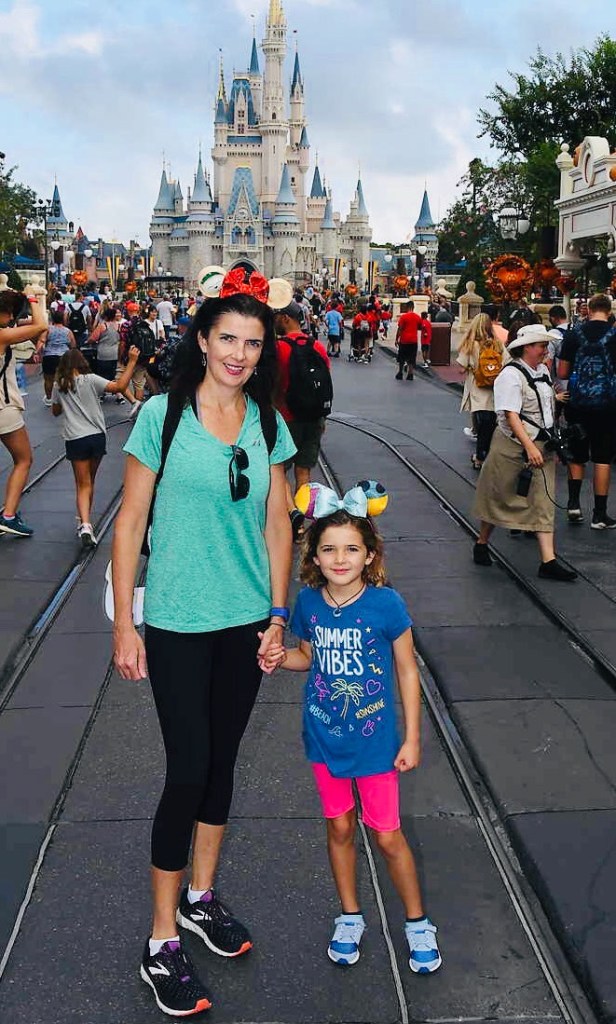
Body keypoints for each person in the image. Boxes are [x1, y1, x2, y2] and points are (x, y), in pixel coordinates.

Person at [112, 282, 296, 1018]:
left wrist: (279, 614)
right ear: (201, 340)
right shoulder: (161, 417)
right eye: (228, 339)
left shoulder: (266, 420)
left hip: (247, 618)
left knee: (222, 765)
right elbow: (129, 525)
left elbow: (280, 522)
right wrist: (127, 623)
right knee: (187, 769)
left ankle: (200, 898)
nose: (239, 355)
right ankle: (162, 943)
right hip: (181, 619)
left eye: (253, 344)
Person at [261, 483, 442, 974]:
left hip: (376, 743)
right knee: (339, 826)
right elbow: (308, 657)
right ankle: (350, 916)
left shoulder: (386, 605)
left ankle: (417, 921)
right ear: (314, 556)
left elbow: (407, 670)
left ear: (369, 555)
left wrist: (412, 737)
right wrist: (281, 658)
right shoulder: (309, 605)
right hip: (324, 737)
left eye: (350, 549)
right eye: (328, 549)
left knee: (386, 835)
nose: (339, 558)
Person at [473, 324, 576, 581]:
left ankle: (548, 561)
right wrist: (529, 447)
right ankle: (482, 542)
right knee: (499, 495)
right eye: (542, 346)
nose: (546, 351)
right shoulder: (510, 375)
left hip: (541, 445)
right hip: (512, 448)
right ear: (528, 347)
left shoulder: (542, 371)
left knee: (543, 501)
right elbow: (511, 414)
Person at [51, 346, 141, 547]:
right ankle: (85, 521)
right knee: (90, 481)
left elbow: (55, 411)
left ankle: (84, 523)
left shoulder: (60, 385)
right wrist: (132, 362)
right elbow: (119, 387)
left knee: (82, 484)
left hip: (76, 438)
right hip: (97, 437)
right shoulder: (91, 379)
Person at [558, 292, 616, 529]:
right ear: (609, 312)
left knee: (577, 455)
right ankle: (599, 515)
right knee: (602, 459)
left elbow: (562, 372)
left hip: (577, 404)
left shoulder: (574, 335)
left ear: (589, 310)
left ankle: (573, 504)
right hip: (607, 405)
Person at [274, 300, 331, 539]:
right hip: (313, 417)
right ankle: (300, 525)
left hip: (286, 417)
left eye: (277, 316)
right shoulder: (318, 347)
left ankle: (290, 513)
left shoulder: (279, 348)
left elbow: (273, 384)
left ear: (286, 318)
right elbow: (325, 382)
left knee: (278, 471)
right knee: (303, 472)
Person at [0, 289, 47, 537]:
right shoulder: (2, 336)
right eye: (12, 316)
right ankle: (8, 515)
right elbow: (41, 324)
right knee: (24, 459)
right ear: (7, 313)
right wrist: (32, 298)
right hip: (3, 408)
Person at [457, 312, 509, 470]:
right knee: (491, 425)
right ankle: (488, 454)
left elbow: (461, 367)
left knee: (482, 426)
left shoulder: (470, 344)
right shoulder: (497, 344)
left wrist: (473, 368)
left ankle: (480, 456)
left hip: (477, 389)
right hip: (493, 389)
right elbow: (507, 363)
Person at [36, 309, 76, 404]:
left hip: (49, 356)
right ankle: (65, 397)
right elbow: (73, 345)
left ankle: (49, 398)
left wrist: (36, 352)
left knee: (48, 379)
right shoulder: (68, 331)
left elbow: (41, 341)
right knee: (65, 377)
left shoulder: (48, 329)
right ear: (63, 319)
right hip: (64, 356)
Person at [88, 306, 122, 383]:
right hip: (115, 354)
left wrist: (88, 341)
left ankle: (104, 392)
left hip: (103, 354)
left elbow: (92, 338)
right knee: (113, 376)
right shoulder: (119, 326)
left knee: (103, 376)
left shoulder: (103, 326)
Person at [395, 300, 422, 380]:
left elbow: (400, 329)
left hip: (404, 340)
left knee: (402, 357)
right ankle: (410, 373)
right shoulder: (417, 317)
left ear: (407, 307)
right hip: (413, 340)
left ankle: (400, 372)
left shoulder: (403, 317)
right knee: (412, 357)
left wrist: (396, 339)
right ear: (413, 307)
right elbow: (420, 327)